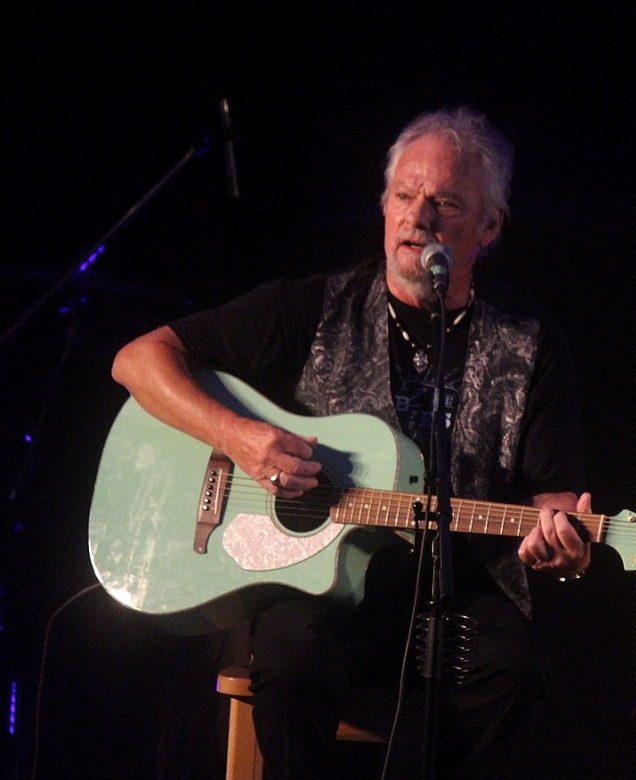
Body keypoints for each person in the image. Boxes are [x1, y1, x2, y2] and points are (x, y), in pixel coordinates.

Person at [112, 106, 592, 779]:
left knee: (512, 669)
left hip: (462, 592)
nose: (418, 215)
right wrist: (240, 438)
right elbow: (138, 359)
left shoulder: (530, 341)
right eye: (404, 195)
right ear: (385, 204)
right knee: (292, 655)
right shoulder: (311, 307)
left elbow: (557, 499)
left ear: (488, 226)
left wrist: (561, 547)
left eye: (445, 202)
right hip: (326, 593)